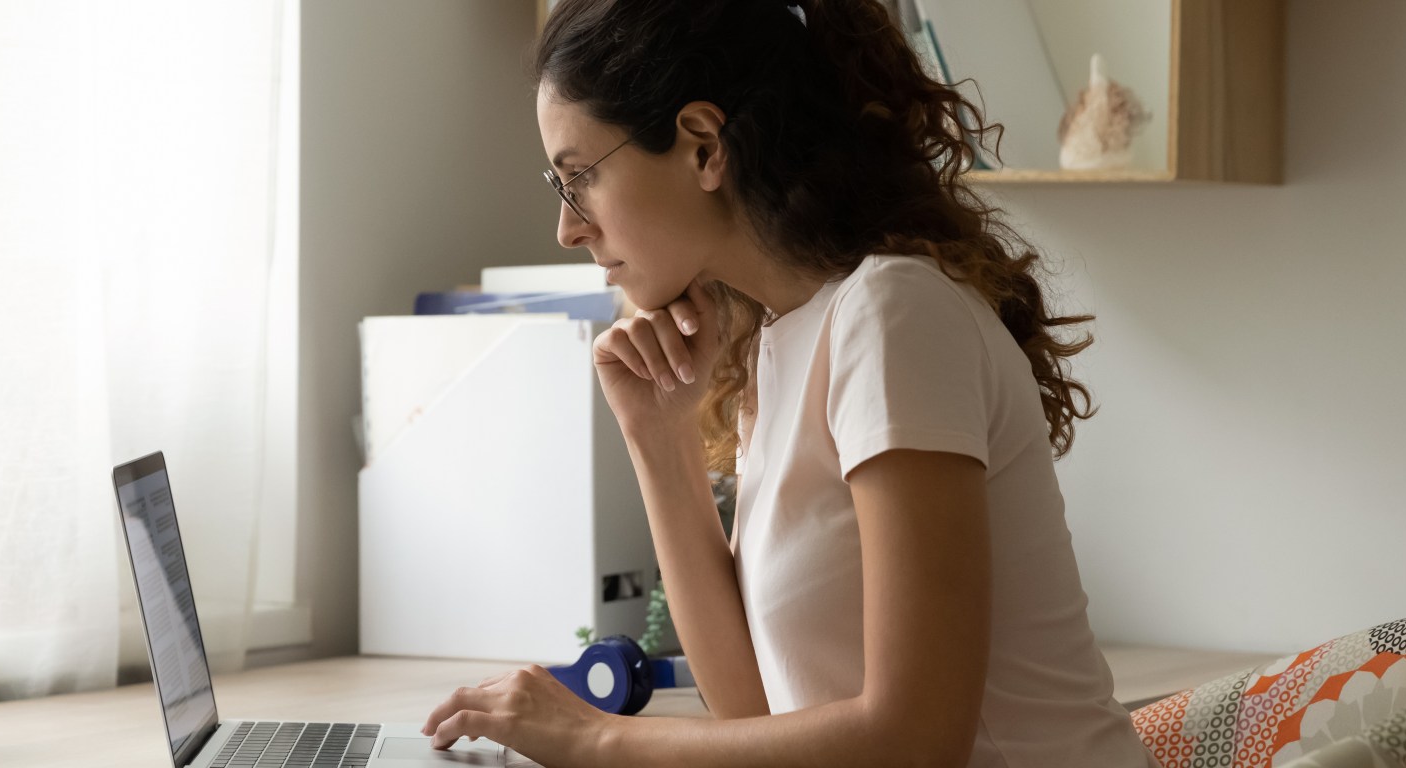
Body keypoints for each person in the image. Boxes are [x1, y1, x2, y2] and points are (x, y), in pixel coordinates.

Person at [422, 1, 1155, 765]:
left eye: (579, 179)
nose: (568, 228)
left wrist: (598, 736)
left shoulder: (891, 312)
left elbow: (916, 738)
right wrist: (659, 440)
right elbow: (753, 711)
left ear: (704, 146)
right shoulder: (774, 341)